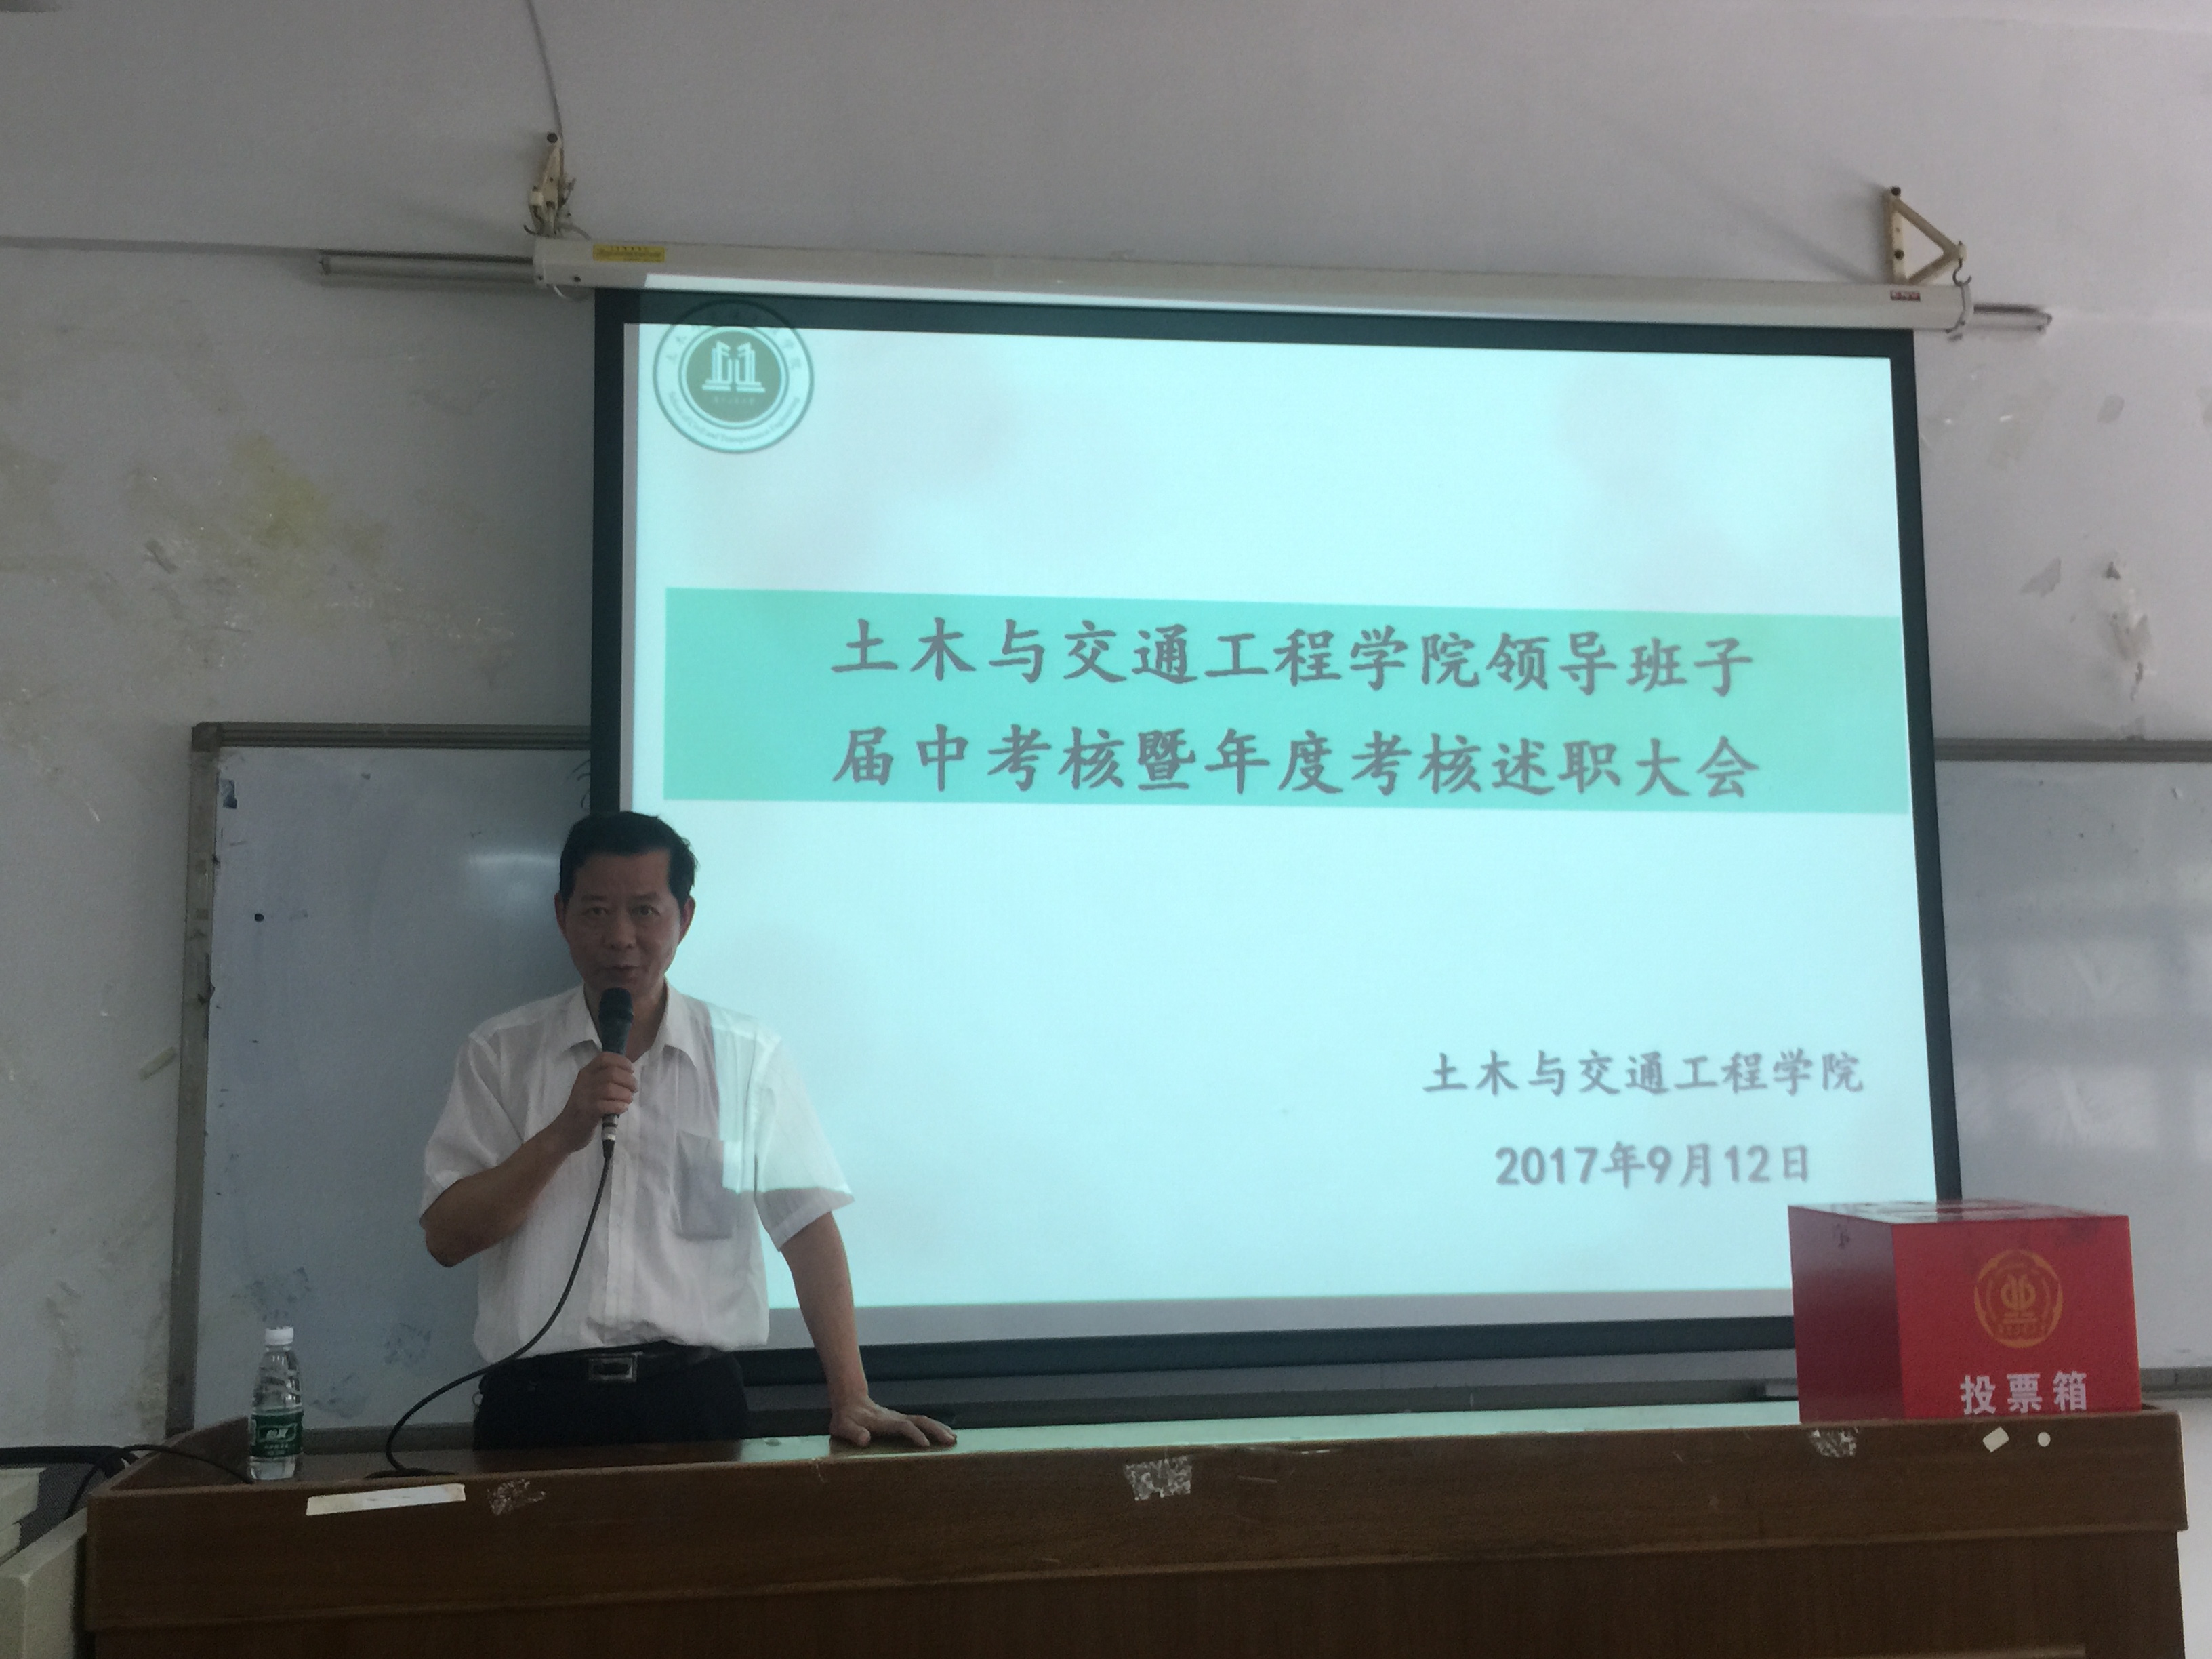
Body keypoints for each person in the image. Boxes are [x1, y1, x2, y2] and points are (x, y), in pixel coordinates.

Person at [419, 811, 953, 1453]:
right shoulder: (501, 1053)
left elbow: (807, 1230)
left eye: (645, 911)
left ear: (685, 917)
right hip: (536, 1406)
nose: (620, 937)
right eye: (596, 912)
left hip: (692, 1403)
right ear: (561, 915)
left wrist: (851, 1394)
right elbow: (446, 1238)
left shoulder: (746, 1056)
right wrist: (563, 1133)